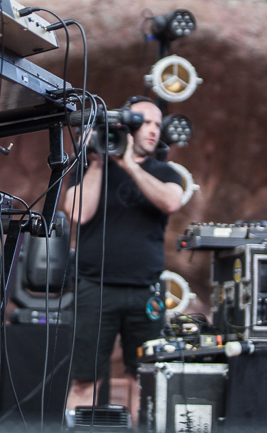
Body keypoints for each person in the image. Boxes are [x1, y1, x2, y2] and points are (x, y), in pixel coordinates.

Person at [62, 97, 186, 418]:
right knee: (85, 379)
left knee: (143, 378)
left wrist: (130, 165)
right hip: (95, 287)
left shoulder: (165, 171)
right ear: (125, 127)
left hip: (145, 290)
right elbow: (77, 213)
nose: (153, 130)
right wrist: (99, 162)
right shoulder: (93, 167)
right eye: (145, 122)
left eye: (158, 124)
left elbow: (172, 202)